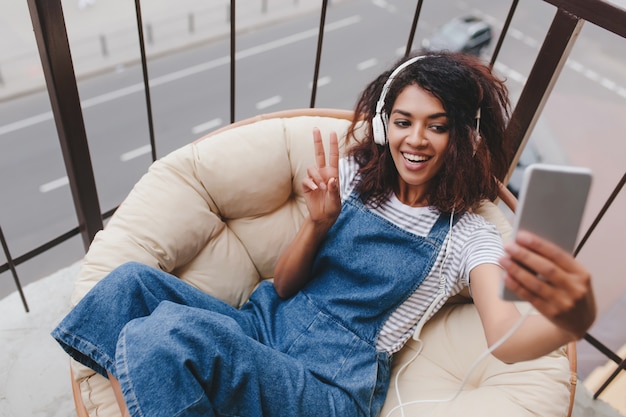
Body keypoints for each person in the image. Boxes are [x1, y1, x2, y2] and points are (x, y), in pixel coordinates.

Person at [51, 51, 596, 417]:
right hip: (262, 325)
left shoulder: (469, 238)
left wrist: (574, 318)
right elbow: (285, 287)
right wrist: (318, 222)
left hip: (329, 386)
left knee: (166, 336)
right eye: (404, 121)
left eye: (437, 124)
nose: (416, 139)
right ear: (385, 125)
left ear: (463, 136)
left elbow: (505, 341)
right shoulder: (357, 177)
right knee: (126, 286)